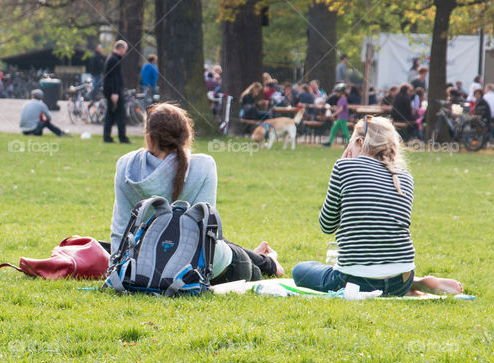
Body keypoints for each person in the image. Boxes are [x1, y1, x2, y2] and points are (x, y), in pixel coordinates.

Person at [111, 102, 282, 283]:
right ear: (186, 136)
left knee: (226, 248)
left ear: (150, 139)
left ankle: (266, 260)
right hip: (199, 270)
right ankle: (271, 263)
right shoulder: (204, 165)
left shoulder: (126, 167)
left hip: (143, 267)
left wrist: (116, 271)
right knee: (238, 259)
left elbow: (120, 231)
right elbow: (207, 236)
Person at [292, 116, 463, 297]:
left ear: (359, 142)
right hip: (400, 279)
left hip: (354, 281)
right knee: (389, 270)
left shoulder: (343, 167)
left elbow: (326, 226)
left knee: (300, 270)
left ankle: (399, 282)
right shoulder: (405, 178)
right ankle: (414, 282)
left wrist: (343, 167)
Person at [102, 40, 130, 143]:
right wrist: (114, 93)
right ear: (121, 49)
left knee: (111, 115)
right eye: (125, 50)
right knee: (120, 115)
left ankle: (107, 137)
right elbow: (112, 78)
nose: (125, 52)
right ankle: (122, 138)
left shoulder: (113, 59)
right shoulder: (113, 59)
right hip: (114, 93)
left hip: (113, 92)